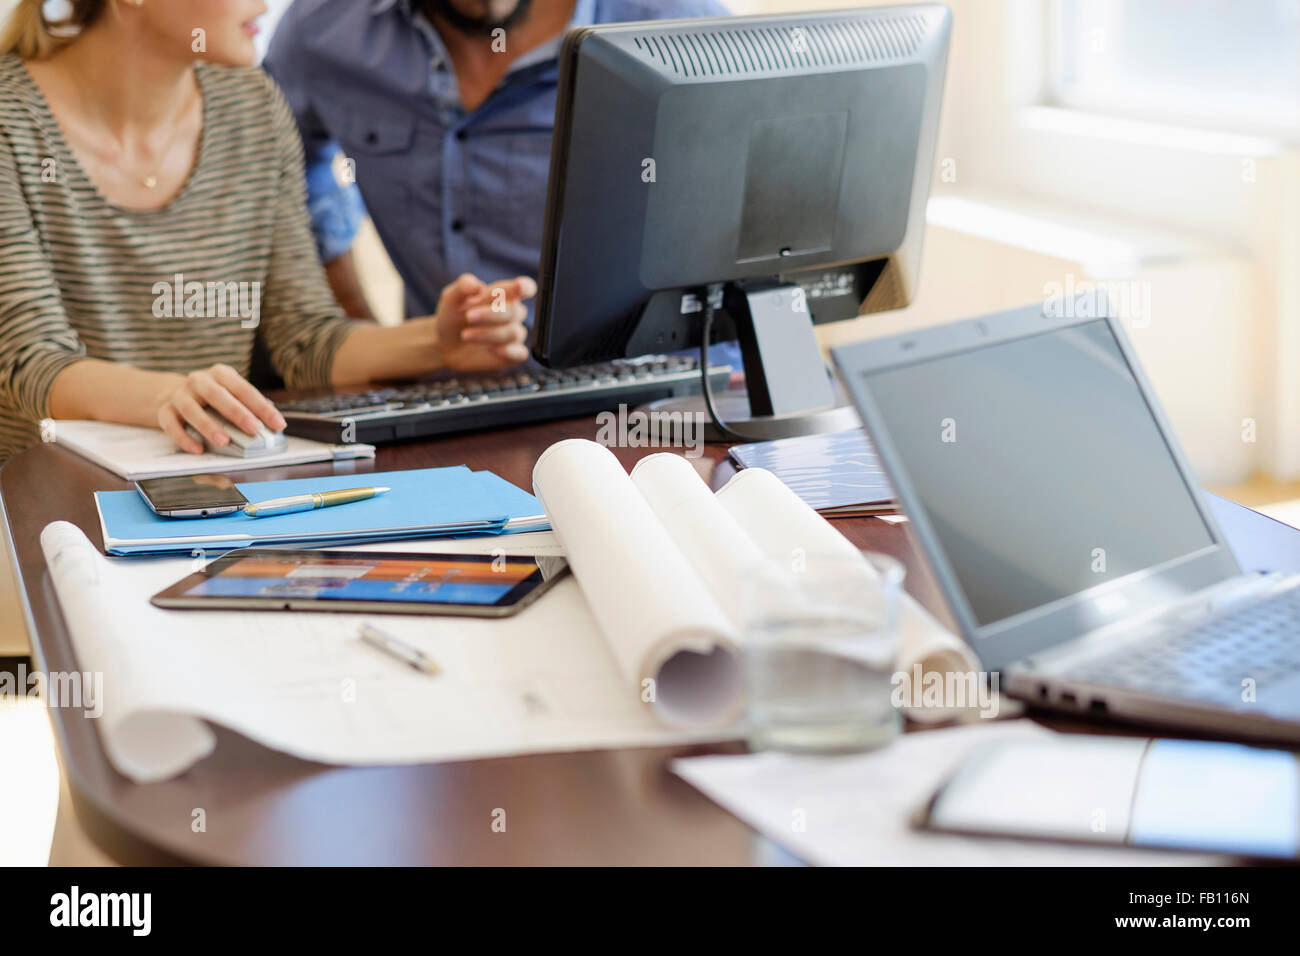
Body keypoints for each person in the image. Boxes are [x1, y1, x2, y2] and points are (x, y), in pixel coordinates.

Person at [0, 0, 533, 463]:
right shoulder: (11, 122)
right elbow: (32, 364)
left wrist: (438, 342)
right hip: (47, 501)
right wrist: (169, 396)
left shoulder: (253, 106)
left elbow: (305, 340)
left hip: (215, 481)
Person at [265, 0, 729, 322]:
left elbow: (749, 210)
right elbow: (283, 174)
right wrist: (358, 330)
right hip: (445, 407)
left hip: (650, 407)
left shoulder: (679, 26)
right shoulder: (321, 34)